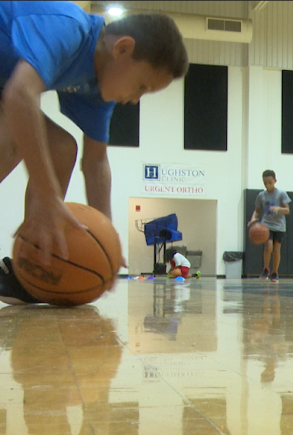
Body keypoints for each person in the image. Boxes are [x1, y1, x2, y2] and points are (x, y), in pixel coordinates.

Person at [0, 3, 188, 304]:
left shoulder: (97, 89)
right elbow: (20, 95)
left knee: (62, 147)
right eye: (141, 86)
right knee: (10, 127)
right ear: (123, 48)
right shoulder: (69, 28)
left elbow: (96, 161)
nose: (137, 99)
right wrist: (48, 199)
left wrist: (108, 240)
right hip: (9, 91)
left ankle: (29, 270)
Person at [248, 170, 290, 283]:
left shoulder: (281, 194)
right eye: (265, 183)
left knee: (276, 250)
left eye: (270, 182)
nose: (267, 185)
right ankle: (266, 268)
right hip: (266, 225)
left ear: (275, 181)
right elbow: (256, 211)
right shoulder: (261, 195)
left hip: (280, 225)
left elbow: (287, 210)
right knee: (268, 246)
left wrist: (279, 208)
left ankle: (275, 272)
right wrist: (253, 218)